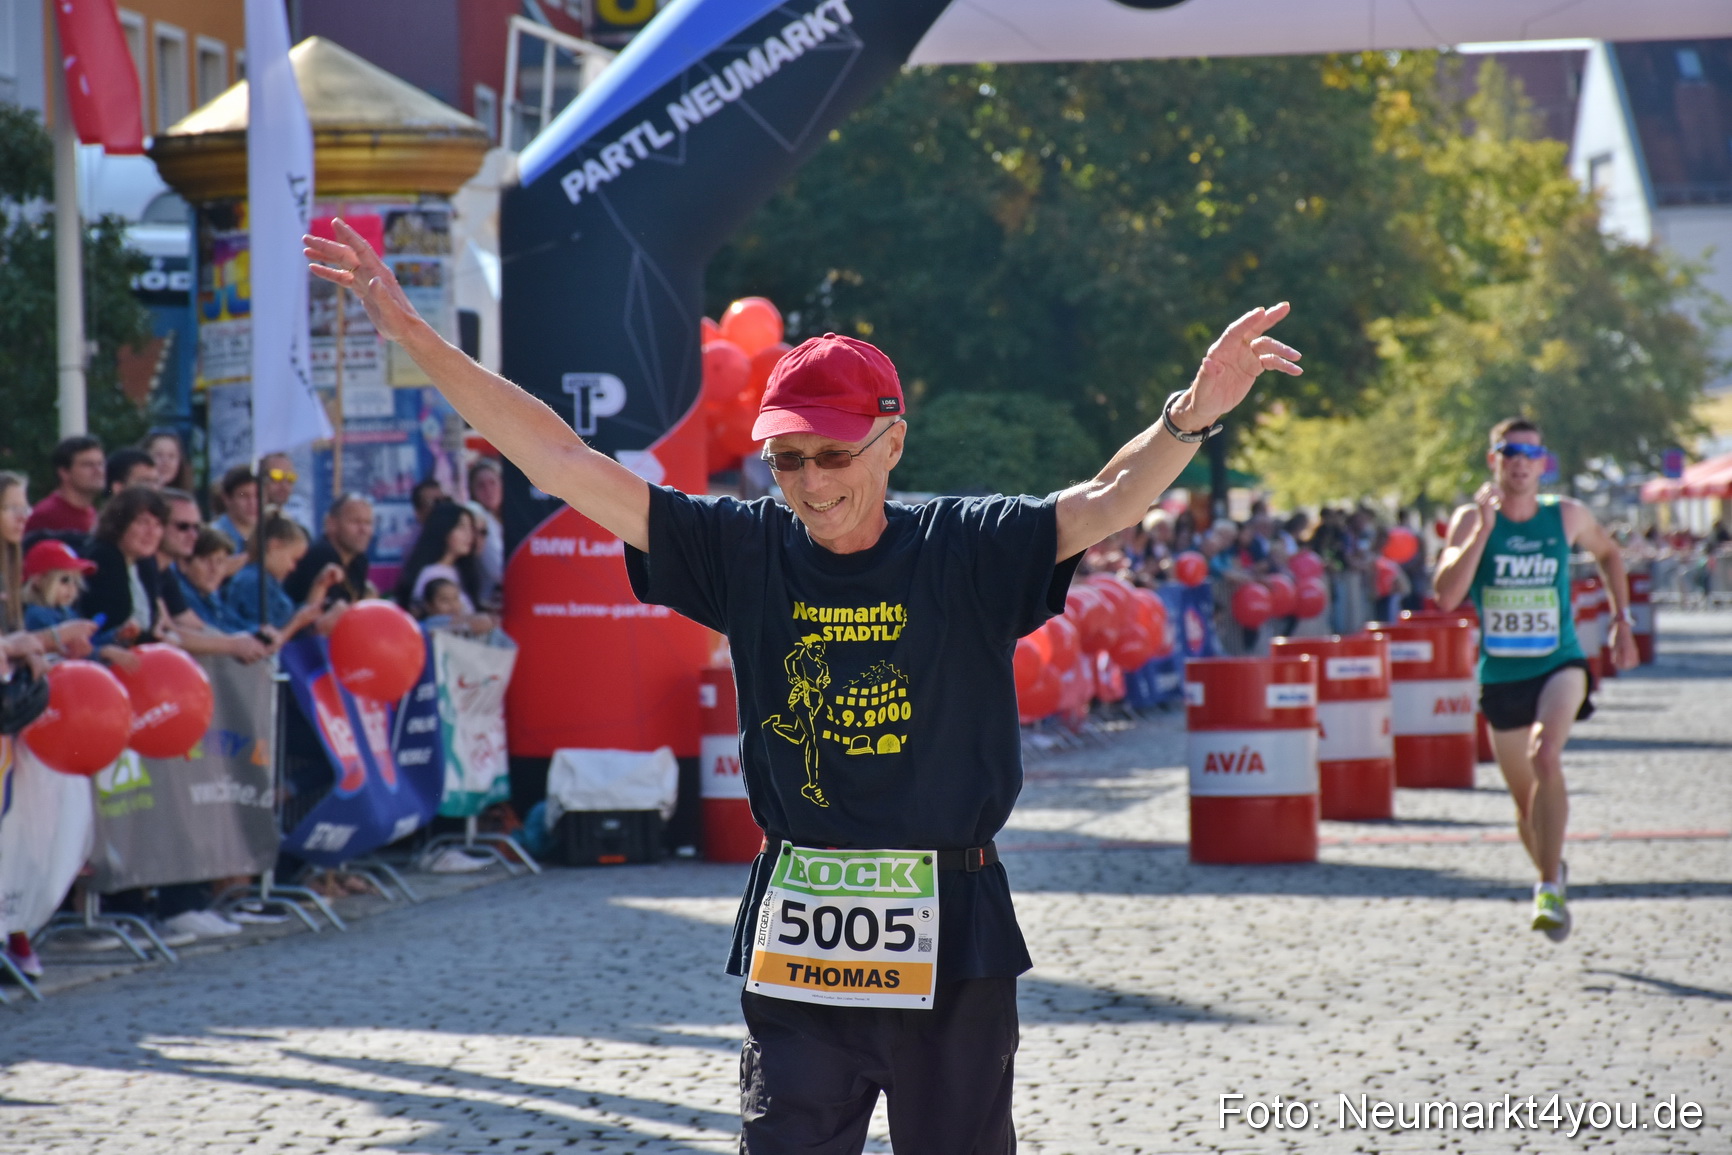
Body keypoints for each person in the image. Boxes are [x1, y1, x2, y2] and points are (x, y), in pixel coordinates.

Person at [307, 216, 1301, 1151]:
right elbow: (559, 458)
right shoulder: (744, 548)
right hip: (803, 928)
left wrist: (1188, 416)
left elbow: (1104, 500)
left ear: (892, 440)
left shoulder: (964, 547)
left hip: (953, 927)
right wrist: (408, 330)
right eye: (786, 461)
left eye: (832, 456)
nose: (812, 483)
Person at [1434, 417, 1637, 944]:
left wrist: (1621, 619)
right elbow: (1447, 596)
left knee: (1546, 755)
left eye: (1530, 452)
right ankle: (1553, 868)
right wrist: (1481, 531)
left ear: (1542, 464)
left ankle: (1547, 885)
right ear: (1493, 460)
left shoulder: (1566, 516)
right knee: (1526, 808)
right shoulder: (1469, 519)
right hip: (1502, 676)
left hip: (1559, 664)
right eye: (1509, 451)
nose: (1520, 461)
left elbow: (1610, 553)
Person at [155, 490, 270, 662]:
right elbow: (165, 632)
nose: (193, 535)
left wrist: (253, 638)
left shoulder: (165, 573)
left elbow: (197, 625)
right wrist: (233, 644)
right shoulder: (148, 567)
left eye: (196, 527)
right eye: (183, 527)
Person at [224, 516, 343, 637]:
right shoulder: (254, 582)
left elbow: (294, 618)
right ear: (274, 546)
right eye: (293, 559)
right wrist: (310, 625)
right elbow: (266, 640)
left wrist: (321, 585)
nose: (293, 567)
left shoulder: (269, 581)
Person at [393, 499, 487, 617]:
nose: (469, 535)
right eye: (461, 527)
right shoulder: (430, 574)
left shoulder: (459, 570)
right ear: (444, 529)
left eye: (470, 528)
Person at [283, 492, 375, 609]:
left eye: (368, 523)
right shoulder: (320, 555)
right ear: (331, 523)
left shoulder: (359, 560)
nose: (364, 530)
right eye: (355, 522)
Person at [24, 435, 104, 539]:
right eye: (88, 465)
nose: (98, 471)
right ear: (64, 472)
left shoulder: (92, 514)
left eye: (101, 464)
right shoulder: (45, 516)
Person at [469, 459, 506, 602]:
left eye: (493, 483)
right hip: (485, 601)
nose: (488, 490)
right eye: (480, 485)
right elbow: (498, 571)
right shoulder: (477, 514)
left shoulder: (511, 517)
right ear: (472, 490)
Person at [211, 466, 259, 555]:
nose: (252, 503)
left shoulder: (269, 535)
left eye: (257, 495)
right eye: (244, 495)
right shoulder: (213, 538)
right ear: (226, 498)